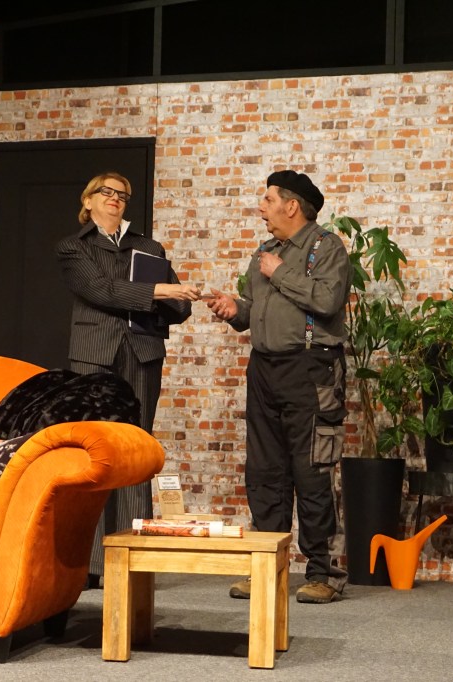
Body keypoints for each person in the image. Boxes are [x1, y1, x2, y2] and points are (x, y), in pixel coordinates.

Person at [207, 170, 353, 604]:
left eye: (268, 199)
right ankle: (265, 568)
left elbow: (327, 301)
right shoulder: (265, 252)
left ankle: (323, 573)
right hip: (264, 370)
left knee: (312, 470)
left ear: (292, 206)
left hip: (311, 369)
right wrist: (235, 309)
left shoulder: (327, 247)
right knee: (265, 472)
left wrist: (281, 272)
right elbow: (258, 309)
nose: (261, 207)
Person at [56, 171, 200, 586]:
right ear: (88, 200)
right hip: (94, 356)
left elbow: (180, 306)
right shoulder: (74, 247)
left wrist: (171, 297)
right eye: (106, 192)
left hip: (142, 352)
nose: (115, 198)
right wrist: (159, 292)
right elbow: (100, 290)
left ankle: (134, 558)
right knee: (96, 453)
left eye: (122, 194)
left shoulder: (148, 248)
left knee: (136, 449)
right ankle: (92, 562)